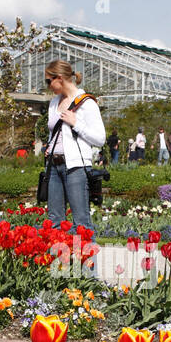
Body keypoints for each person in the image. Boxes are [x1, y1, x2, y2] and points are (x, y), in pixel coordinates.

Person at [44, 59, 104, 232]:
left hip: (76, 167)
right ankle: (59, 260)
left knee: (81, 224)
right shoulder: (54, 103)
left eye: (49, 81)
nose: (48, 86)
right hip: (53, 166)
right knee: (54, 223)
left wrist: (76, 123)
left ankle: (84, 260)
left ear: (60, 78)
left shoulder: (86, 103)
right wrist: (49, 147)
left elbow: (100, 139)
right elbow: (54, 132)